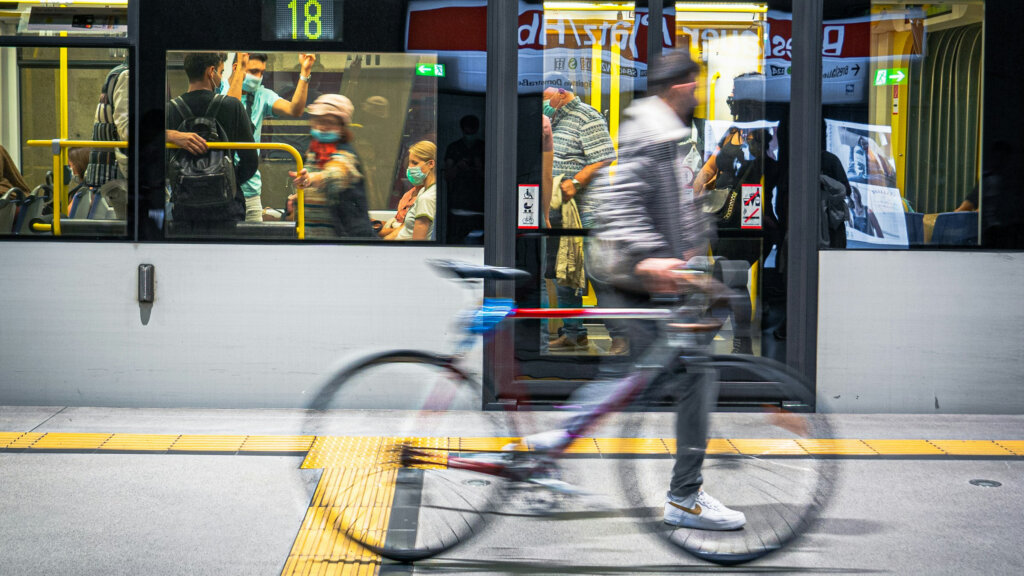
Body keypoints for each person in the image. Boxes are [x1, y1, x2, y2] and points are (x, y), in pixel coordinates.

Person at [517, 51, 746, 532]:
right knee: (672, 376)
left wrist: (692, 260)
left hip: (646, 274)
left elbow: (677, 204)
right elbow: (619, 200)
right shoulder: (652, 131)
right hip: (634, 275)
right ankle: (682, 495)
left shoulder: (662, 130)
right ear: (682, 86)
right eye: (697, 84)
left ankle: (552, 442)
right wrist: (653, 257)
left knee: (647, 375)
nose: (702, 93)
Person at [543, 74, 617, 352]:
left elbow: (604, 155)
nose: (543, 103)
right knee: (564, 272)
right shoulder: (554, 117)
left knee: (599, 274)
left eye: (545, 96)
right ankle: (574, 332)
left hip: (589, 210)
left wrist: (576, 181)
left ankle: (620, 335)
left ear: (561, 93)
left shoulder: (588, 116)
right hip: (561, 209)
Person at [165, 52, 257, 232]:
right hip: (226, 206)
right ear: (211, 72)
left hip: (185, 205)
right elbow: (251, 161)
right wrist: (231, 180)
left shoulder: (170, 110)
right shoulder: (232, 106)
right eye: (221, 72)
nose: (220, 77)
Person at [223, 52, 316, 222]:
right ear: (237, 68)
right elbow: (230, 110)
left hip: (250, 190)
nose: (258, 77)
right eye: (253, 71)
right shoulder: (218, 88)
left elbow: (294, 110)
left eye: (261, 72)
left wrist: (305, 73)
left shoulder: (262, 94)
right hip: (220, 188)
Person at [288, 93, 374, 239]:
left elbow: (336, 176)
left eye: (329, 122)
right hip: (309, 237)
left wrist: (310, 179)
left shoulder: (346, 153)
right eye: (318, 121)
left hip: (343, 240)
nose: (322, 127)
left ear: (342, 126)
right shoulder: (310, 153)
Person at [83, 62, 129, 218]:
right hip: (119, 173)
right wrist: (168, 135)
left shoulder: (119, 73)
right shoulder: (127, 76)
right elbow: (127, 130)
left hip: (115, 171)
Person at [381, 141, 436, 241]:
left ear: (431, 164)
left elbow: (417, 243)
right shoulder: (423, 191)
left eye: (414, 163)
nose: (410, 167)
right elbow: (406, 228)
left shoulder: (426, 198)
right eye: (409, 163)